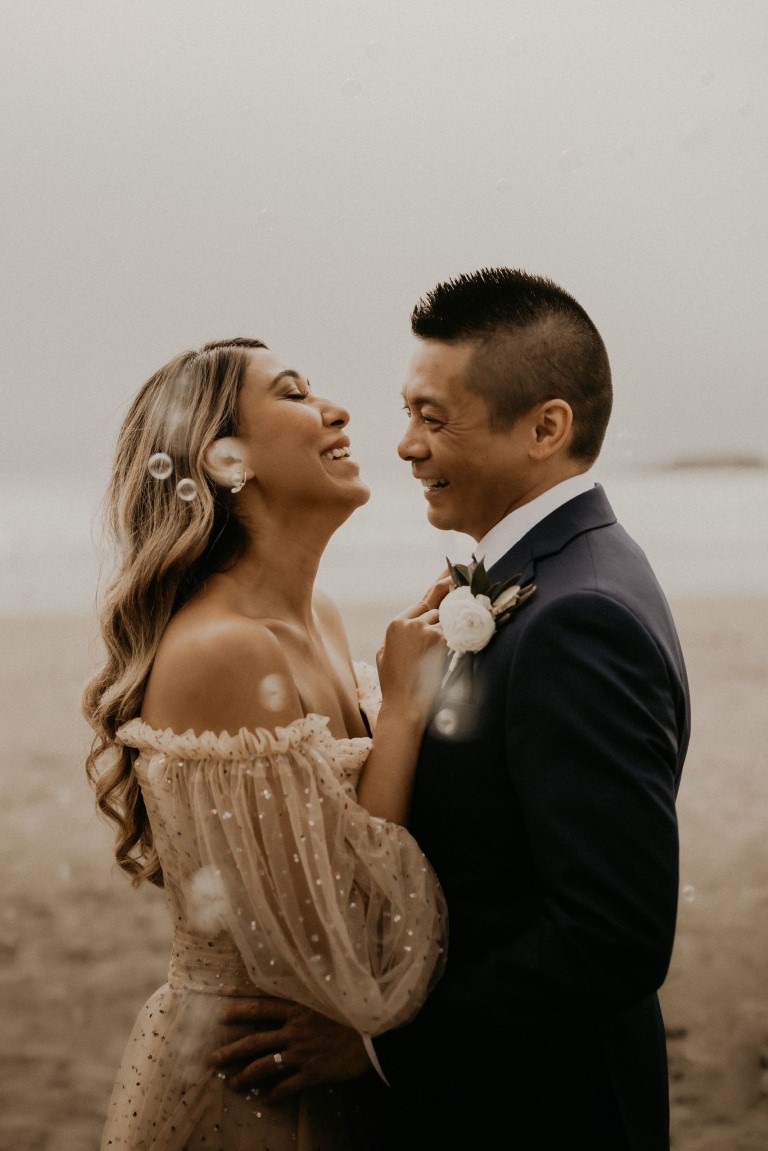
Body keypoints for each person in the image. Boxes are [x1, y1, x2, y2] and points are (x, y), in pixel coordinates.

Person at [211, 271, 692, 1151]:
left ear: (547, 427)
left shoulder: (580, 616)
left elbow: (613, 935)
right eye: (407, 412)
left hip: (543, 1115)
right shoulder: (550, 577)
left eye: (435, 418)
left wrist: (382, 1045)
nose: (403, 446)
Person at [82, 336, 450, 1150]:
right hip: (253, 1083)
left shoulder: (321, 617)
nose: (337, 410)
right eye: (292, 393)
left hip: (324, 1056)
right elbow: (346, 914)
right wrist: (403, 712)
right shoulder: (226, 649)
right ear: (225, 463)